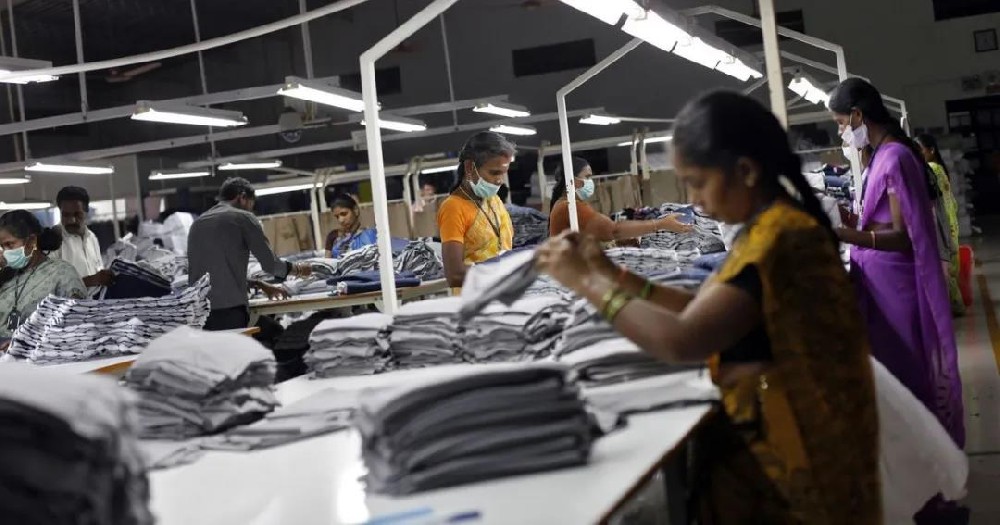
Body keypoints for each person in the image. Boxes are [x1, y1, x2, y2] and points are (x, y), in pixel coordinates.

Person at [535, 91, 880, 523]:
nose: (695, 200)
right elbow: (703, 307)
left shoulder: (782, 238)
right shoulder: (766, 229)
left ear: (746, 171)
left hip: (795, 458)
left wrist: (586, 284)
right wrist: (611, 273)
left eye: (698, 182)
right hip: (782, 441)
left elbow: (684, 339)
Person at [829, 78, 965, 452]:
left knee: (908, 378)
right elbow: (882, 219)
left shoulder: (895, 158)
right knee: (897, 380)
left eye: (841, 123)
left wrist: (844, 234)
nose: (841, 132)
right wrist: (851, 219)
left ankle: (928, 460)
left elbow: (903, 237)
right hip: (884, 286)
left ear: (857, 115)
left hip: (897, 290)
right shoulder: (880, 157)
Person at [187, 177, 311, 331]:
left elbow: (215, 271)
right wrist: (298, 269)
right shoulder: (242, 217)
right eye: (251, 204)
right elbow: (270, 265)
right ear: (242, 197)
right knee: (272, 334)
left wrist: (258, 284)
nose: (251, 210)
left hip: (198, 312)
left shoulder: (197, 224)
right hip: (229, 311)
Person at [437, 131, 516, 288]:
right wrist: (503, 272)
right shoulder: (453, 207)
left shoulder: (494, 201)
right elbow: (454, 274)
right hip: (476, 298)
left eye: (503, 173)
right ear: (469, 167)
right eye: (494, 173)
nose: (500, 180)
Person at [548, 156, 693, 238]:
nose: (591, 182)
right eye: (587, 177)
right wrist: (660, 224)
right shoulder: (570, 207)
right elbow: (614, 230)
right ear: (571, 180)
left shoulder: (565, 205)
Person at [0, 210, 87, 343]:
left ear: (32, 241)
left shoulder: (61, 273)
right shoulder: (7, 274)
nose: (5, 252)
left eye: (9, 245)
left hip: (38, 350)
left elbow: (77, 324)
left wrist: (24, 341)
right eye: (2, 246)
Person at [916, 133, 964, 315]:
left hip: (944, 222)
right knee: (950, 263)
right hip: (950, 220)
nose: (918, 155)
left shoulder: (932, 169)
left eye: (920, 150)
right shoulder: (941, 169)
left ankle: (955, 305)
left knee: (945, 265)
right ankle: (955, 303)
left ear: (931, 150)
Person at [50, 186, 113, 289]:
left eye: (77, 214)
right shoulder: (52, 242)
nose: (72, 220)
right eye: (66, 215)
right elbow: (52, 286)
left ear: (86, 211)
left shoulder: (92, 238)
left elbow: (98, 269)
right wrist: (93, 280)